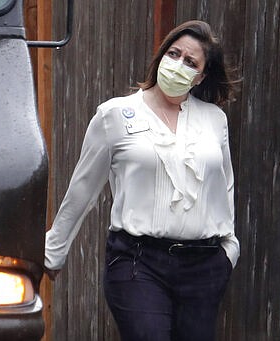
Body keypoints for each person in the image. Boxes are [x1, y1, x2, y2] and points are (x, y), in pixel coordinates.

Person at [44, 20, 240, 341]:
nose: (178, 64)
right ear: (161, 55)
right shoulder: (115, 115)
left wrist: (229, 249)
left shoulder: (214, 119)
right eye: (173, 54)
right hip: (138, 262)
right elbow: (83, 188)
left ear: (201, 76)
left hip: (204, 266)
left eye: (190, 62)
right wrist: (55, 249)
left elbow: (223, 187)